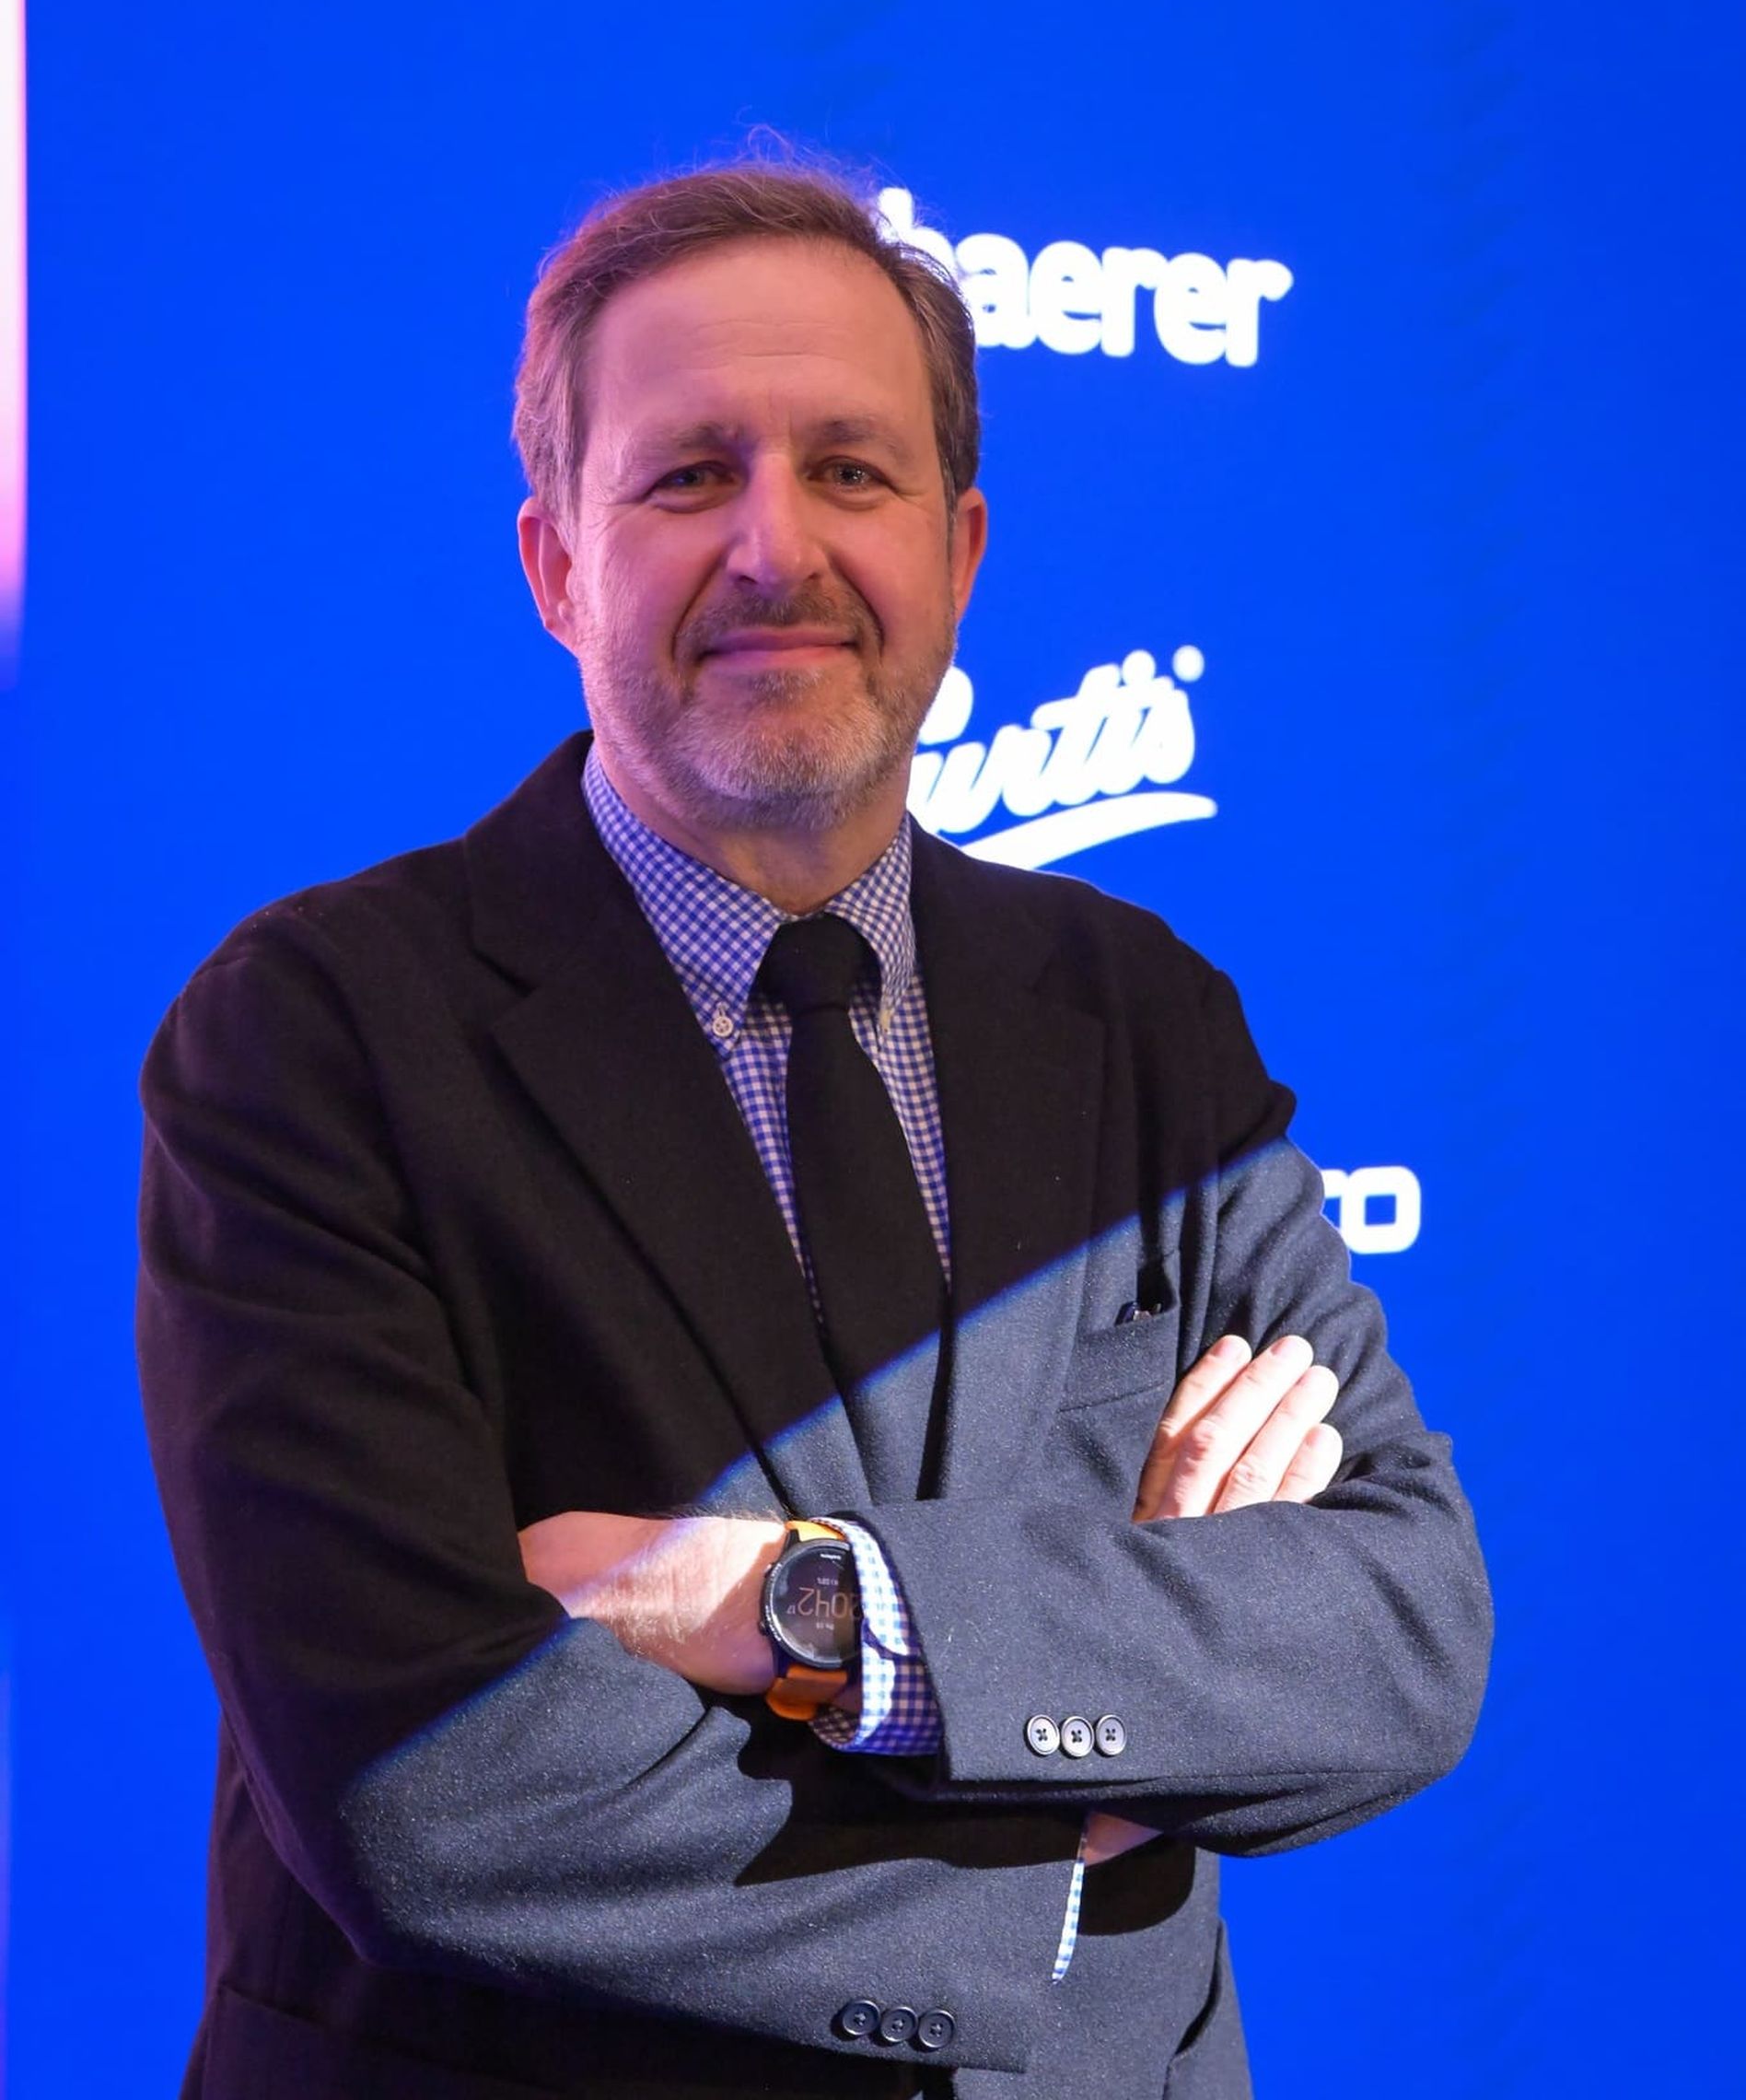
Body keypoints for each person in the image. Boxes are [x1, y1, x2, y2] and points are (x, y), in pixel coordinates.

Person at [136, 158, 1492, 2100]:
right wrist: (1077, 1821)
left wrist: (797, 1609)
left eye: (852, 471)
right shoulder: (316, 1030)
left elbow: (1396, 1631)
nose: (777, 547)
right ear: (556, 566)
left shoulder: (1143, 1011)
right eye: (690, 477)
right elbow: (424, 1790)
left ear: (959, 549)